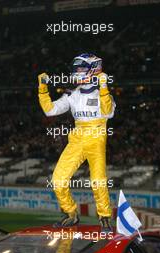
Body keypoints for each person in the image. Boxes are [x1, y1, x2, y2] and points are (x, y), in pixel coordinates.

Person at [38, 53, 116, 232]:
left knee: (98, 180)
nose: (76, 72)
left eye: (80, 68)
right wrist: (42, 89)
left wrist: (104, 87)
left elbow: (108, 112)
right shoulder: (72, 95)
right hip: (77, 139)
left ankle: (104, 217)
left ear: (93, 69)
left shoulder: (103, 93)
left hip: (96, 138)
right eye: (75, 69)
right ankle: (71, 214)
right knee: (58, 180)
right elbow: (50, 111)